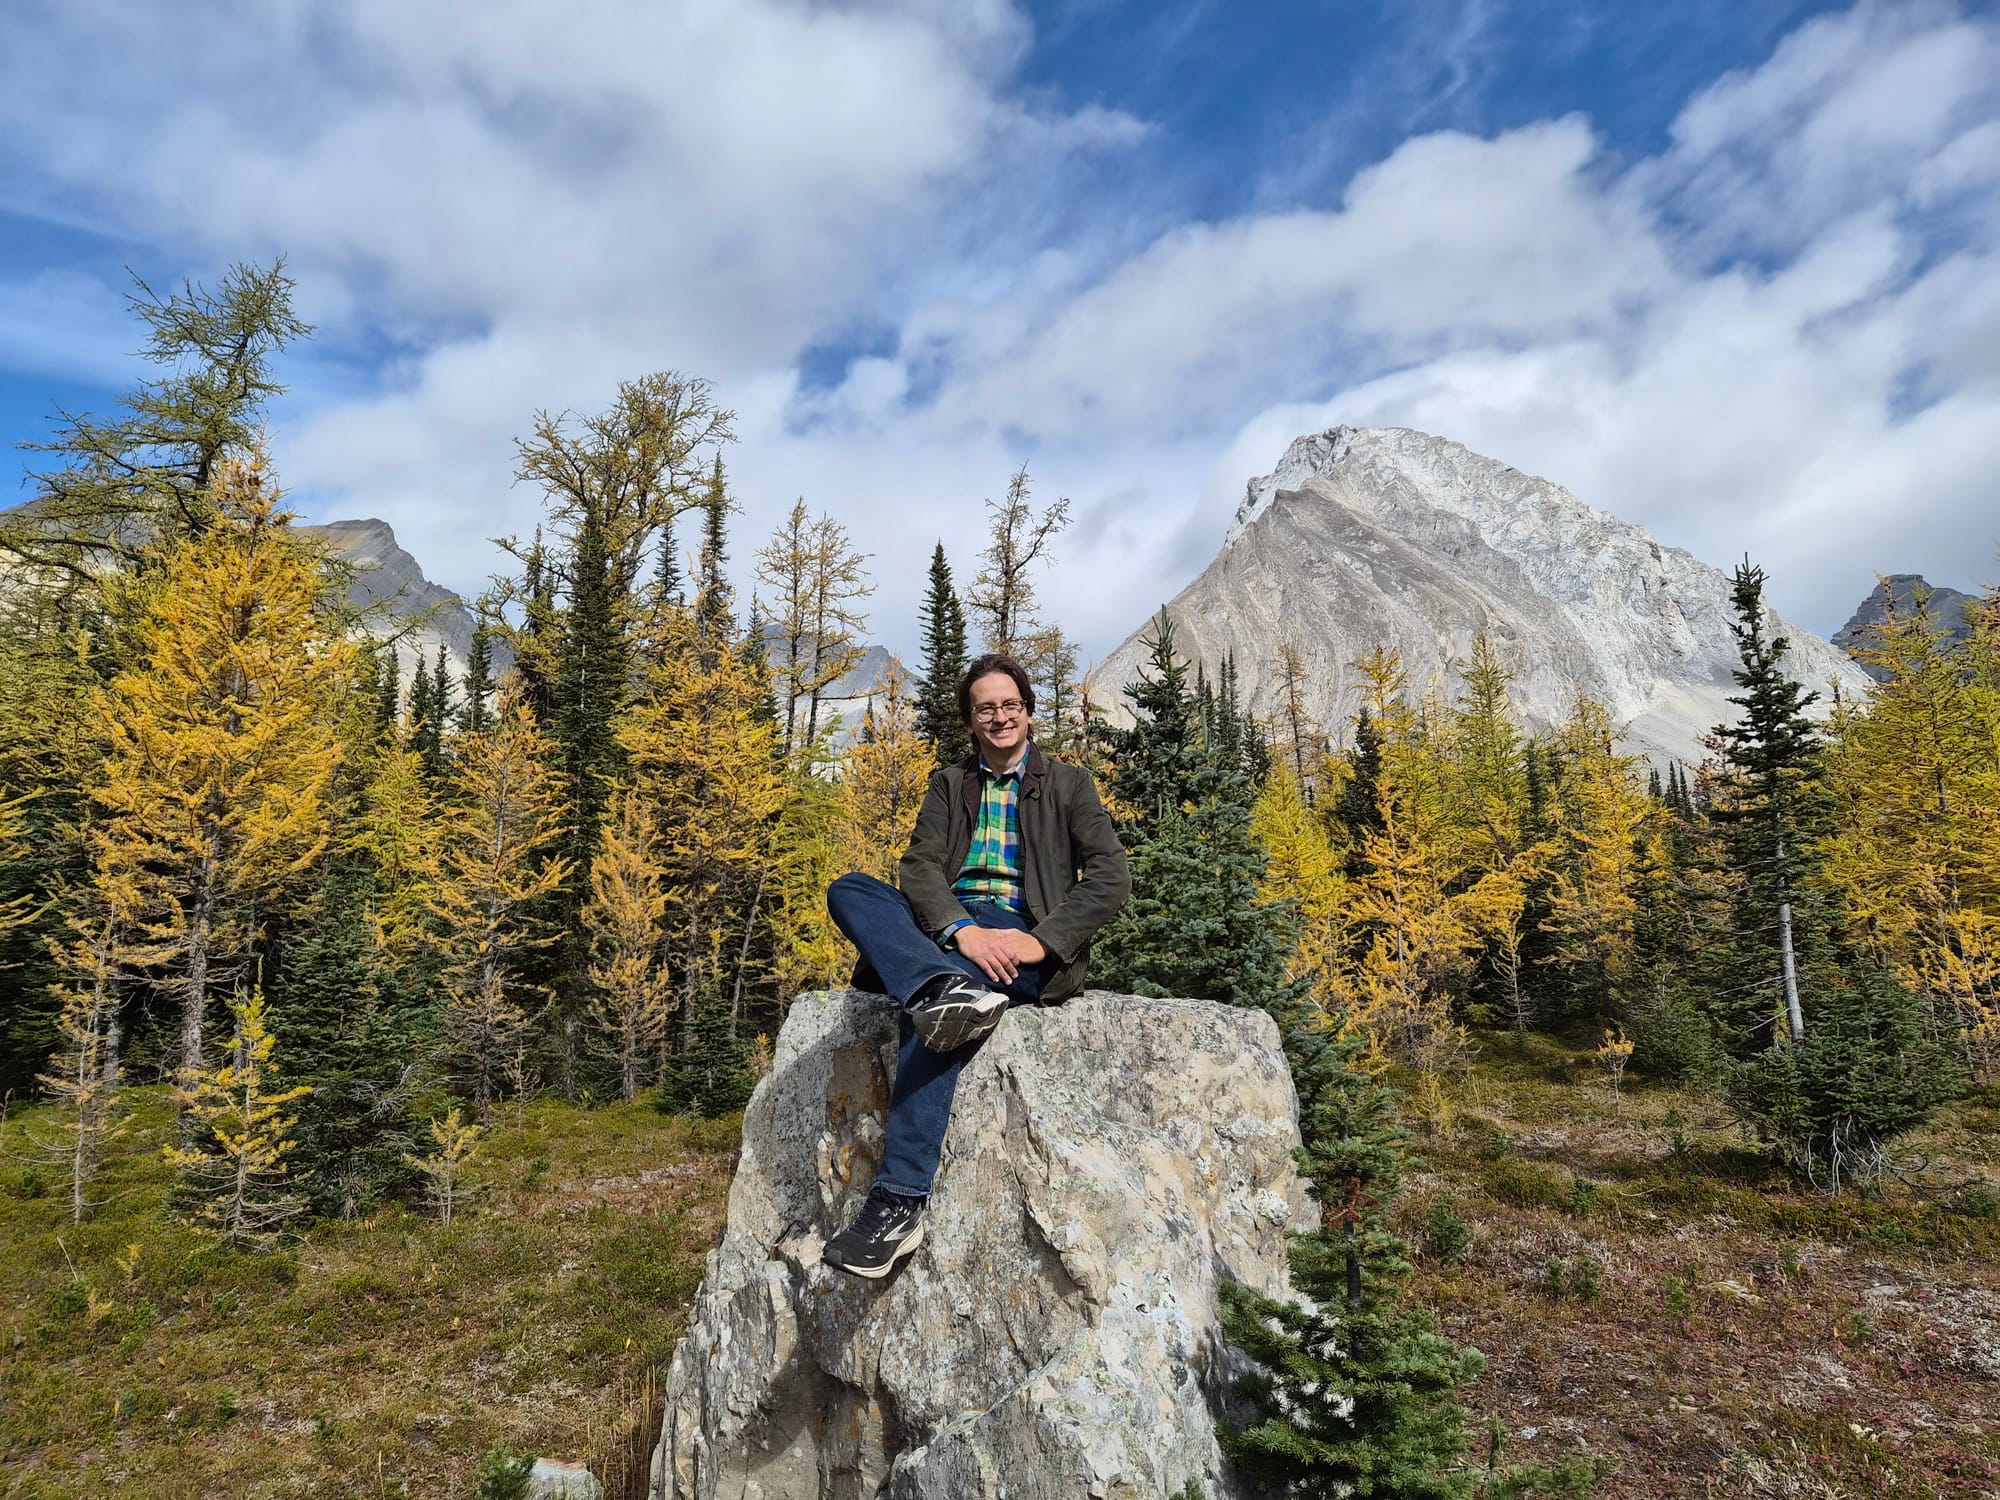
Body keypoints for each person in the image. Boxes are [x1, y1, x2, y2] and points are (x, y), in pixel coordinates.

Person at [820, 652, 1131, 1277]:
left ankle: (899, 1203)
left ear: (1028, 712)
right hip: (949, 928)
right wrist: (959, 930)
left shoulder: (1069, 785)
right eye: (986, 707)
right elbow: (918, 868)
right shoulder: (950, 784)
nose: (999, 717)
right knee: (852, 889)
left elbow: (1110, 876)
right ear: (970, 719)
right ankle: (938, 982)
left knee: (929, 1021)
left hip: (1022, 929)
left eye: (1010, 705)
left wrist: (1041, 943)